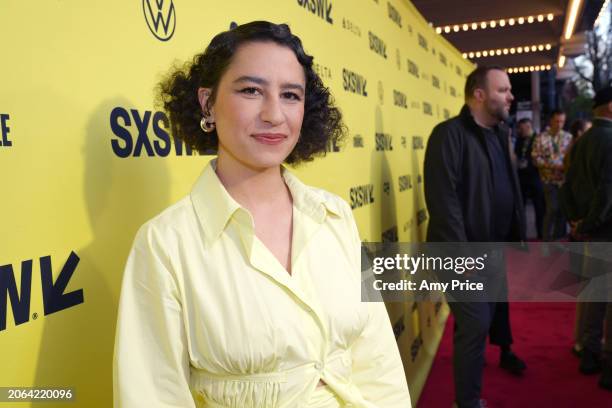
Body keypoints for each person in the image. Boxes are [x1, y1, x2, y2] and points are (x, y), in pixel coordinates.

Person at [113, 21, 411, 407]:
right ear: (207, 103)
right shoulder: (165, 243)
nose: (274, 114)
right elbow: (151, 395)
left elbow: (378, 360)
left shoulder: (335, 215)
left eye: (290, 95)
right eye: (251, 90)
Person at [424, 65, 527, 408]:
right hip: (461, 254)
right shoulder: (447, 134)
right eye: (503, 90)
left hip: (492, 249)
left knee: (489, 315)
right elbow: (444, 201)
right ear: (479, 95)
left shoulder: (499, 134)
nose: (511, 96)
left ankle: (492, 357)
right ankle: (466, 402)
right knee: (476, 321)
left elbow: (507, 187)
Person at [562, 86, 612, 391]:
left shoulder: (579, 142)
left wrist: (576, 222)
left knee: (595, 293)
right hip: (606, 228)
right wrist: (591, 221)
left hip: (589, 230)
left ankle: (590, 352)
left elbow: (567, 185)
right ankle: (606, 360)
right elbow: (608, 193)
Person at [531, 110, 572, 240]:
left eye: (562, 122)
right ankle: (546, 239)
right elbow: (535, 159)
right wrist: (553, 166)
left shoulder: (568, 137)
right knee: (552, 209)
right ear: (551, 121)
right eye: (557, 121)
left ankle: (558, 238)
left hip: (564, 180)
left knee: (562, 211)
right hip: (548, 179)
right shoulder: (541, 137)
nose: (559, 124)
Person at [514, 118, 545, 239]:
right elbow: (516, 154)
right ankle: (521, 235)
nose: (520, 131)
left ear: (528, 127)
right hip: (522, 177)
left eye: (522, 129)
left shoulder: (539, 138)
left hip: (535, 177)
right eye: (519, 129)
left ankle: (541, 234)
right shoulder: (519, 140)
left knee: (539, 208)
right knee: (520, 207)